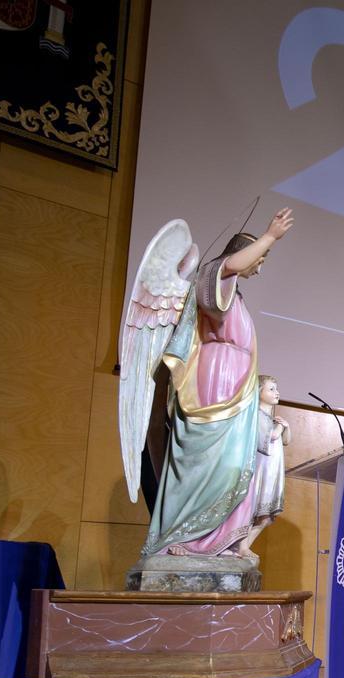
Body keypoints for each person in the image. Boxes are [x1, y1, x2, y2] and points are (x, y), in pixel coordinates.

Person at [140, 208, 295, 558]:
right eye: (260, 258)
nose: (260, 266)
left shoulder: (236, 296)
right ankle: (184, 538)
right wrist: (270, 236)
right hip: (214, 386)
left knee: (237, 466)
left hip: (236, 389)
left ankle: (216, 542)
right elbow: (230, 266)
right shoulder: (213, 275)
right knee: (212, 465)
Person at [236, 375, 292, 559]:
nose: (277, 392)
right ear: (259, 392)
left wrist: (286, 427)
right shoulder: (257, 415)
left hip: (273, 472)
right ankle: (241, 546)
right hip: (261, 469)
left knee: (266, 516)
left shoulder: (272, 419)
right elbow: (267, 440)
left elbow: (286, 441)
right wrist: (280, 428)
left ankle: (244, 547)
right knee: (253, 511)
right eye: (271, 389)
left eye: (276, 389)